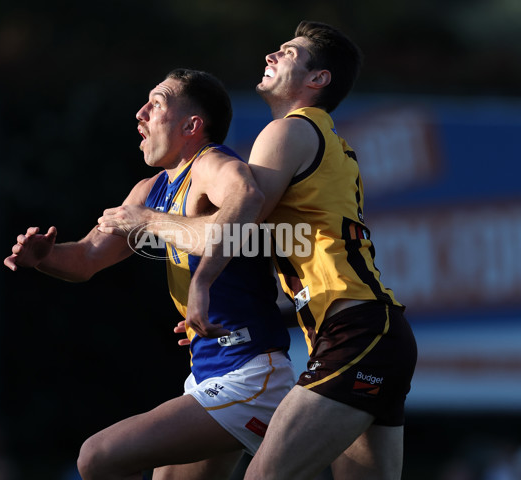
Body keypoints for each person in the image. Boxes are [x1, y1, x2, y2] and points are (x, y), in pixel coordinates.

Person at [100, 21, 418, 480]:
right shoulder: (327, 142)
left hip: (356, 335)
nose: (271, 56)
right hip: (369, 331)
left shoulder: (286, 131)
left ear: (318, 79)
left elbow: (235, 225)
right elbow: (292, 246)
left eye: (288, 52)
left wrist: (171, 249)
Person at [3, 68, 295, 480]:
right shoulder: (149, 189)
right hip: (210, 369)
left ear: (191, 125)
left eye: (156, 103)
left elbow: (247, 197)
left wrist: (159, 232)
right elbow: (86, 258)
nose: (140, 113)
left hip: (251, 374)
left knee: (96, 457)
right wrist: (43, 258)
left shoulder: (209, 164)